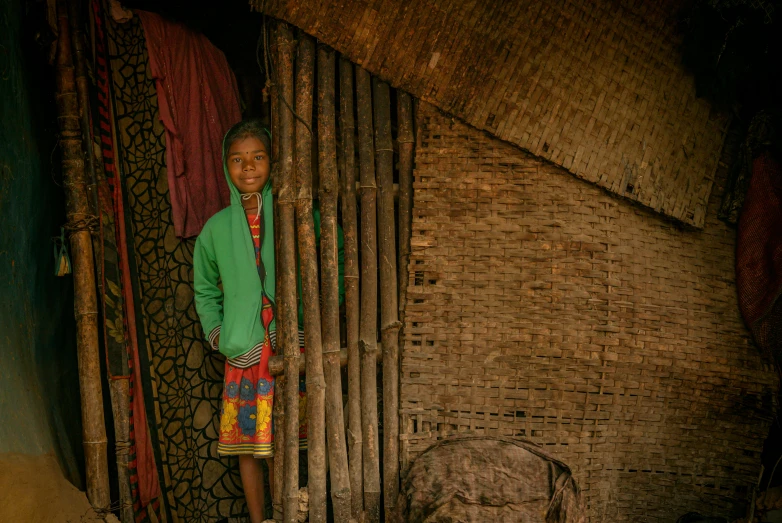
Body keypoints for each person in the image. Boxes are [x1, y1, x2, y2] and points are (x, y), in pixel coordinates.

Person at [195, 119, 341, 522]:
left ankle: (304, 513)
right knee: (249, 446)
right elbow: (205, 291)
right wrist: (218, 333)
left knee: (303, 438)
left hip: (294, 343)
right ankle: (261, 520)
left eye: (258, 157)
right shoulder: (215, 230)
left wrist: (329, 310)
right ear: (226, 167)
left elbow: (338, 252)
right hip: (243, 350)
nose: (248, 168)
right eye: (238, 160)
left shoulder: (295, 212)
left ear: (272, 162)